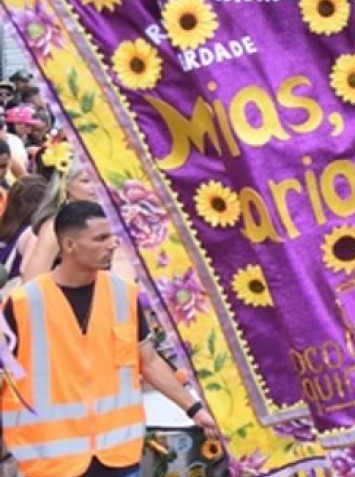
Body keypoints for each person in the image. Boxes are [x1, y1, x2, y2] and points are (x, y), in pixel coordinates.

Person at [1, 201, 218, 477]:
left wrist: (194, 409)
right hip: (50, 462)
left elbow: (148, 361)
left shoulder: (123, 295)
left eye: (114, 235)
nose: (113, 244)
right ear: (69, 245)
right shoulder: (23, 304)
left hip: (118, 457)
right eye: (101, 238)